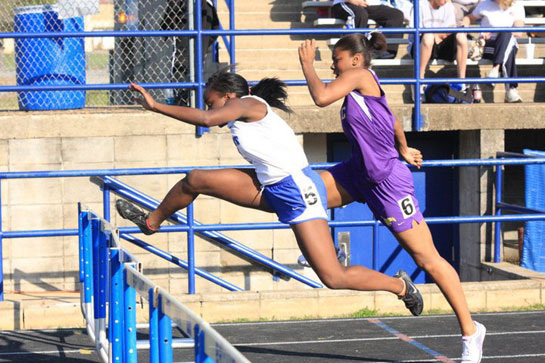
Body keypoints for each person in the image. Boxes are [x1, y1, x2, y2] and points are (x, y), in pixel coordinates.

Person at [116, 70, 424, 316]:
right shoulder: (240, 112)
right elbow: (214, 118)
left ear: (227, 95)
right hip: (271, 185)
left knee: (332, 277)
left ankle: (399, 286)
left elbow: (207, 120)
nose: (209, 107)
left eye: (211, 101)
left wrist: (155, 106)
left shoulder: (248, 104)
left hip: (297, 191)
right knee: (195, 180)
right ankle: (151, 223)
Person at [298, 34, 485, 362]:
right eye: (329, 61)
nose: (331, 65)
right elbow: (393, 118)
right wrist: (403, 146)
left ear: (355, 60)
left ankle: (471, 332)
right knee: (302, 196)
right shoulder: (362, 87)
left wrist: (308, 67)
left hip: (388, 183)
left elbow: (321, 96)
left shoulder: (359, 76)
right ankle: (319, 249)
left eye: (336, 60)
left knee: (428, 260)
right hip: (358, 173)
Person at [462, 0, 525, 103]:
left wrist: (495, 31)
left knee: (506, 35)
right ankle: (511, 90)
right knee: (508, 51)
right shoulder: (484, 4)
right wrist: (465, 27)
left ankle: (496, 68)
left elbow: (518, 31)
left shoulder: (517, 5)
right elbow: (468, 18)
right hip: (488, 45)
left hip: (507, 41)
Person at [409, 0, 468, 100]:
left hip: (441, 44)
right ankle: (419, 81)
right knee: (428, 37)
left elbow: (451, 29)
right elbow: (416, 32)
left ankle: (462, 82)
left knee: (461, 36)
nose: (446, 1)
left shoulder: (448, 6)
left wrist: (439, 34)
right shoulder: (419, 5)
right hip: (421, 45)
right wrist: (439, 34)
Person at [331, 0, 405, 58]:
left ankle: (385, 53)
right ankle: (353, 53)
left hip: (367, 5)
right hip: (344, 3)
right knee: (360, 14)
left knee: (396, 15)